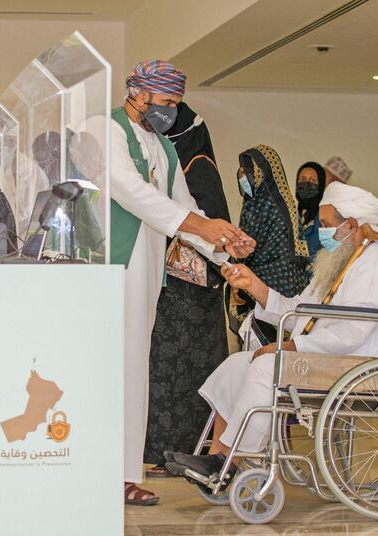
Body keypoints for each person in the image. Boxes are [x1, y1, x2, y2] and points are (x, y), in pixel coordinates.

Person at [165, 183, 378, 478]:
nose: (321, 232)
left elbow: (354, 333)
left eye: (327, 225)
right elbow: (297, 313)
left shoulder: (376, 265)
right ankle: (216, 458)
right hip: (326, 358)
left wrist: (292, 348)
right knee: (238, 364)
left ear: (351, 225)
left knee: (267, 366)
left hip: (354, 364)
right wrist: (252, 284)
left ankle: (233, 462)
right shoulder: (339, 263)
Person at [109, 60, 255, 505]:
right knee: (110, 369)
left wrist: (225, 244)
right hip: (109, 269)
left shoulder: (162, 146)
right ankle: (98, 469)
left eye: (175, 104)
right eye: (167, 102)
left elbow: (184, 205)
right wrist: (199, 224)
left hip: (146, 273)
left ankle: (123, 473)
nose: (171, 112)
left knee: (134, 368)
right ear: (139, 92)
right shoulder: (105, 128)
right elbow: (128, 189)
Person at [144, 102, 232, 478]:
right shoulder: (172, 165)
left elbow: (208, 223)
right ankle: (164, 451)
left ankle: (182, 451)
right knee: (164, 374)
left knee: (184, 377)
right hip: (174, 294)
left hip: (191, 299)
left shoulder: (198, 167)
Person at [227, 146, 310, 343]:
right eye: (241, 174)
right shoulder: (252, 203)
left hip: (280, 282)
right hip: (256, 280)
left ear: (263, 173)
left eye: (248, 173)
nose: (244, 179)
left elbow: (257, 246)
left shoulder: (278, 206)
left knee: (272, 348)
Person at [296, 161, 327, 261]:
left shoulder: (324, 216)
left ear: (321, 186)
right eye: (302, 179)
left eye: (313, 180)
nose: (306, 184)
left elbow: (314, 251)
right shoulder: (292, 211)